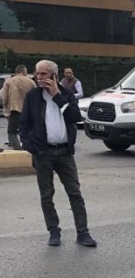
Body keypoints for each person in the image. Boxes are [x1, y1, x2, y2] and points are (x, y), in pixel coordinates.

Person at [19, 60, 97, 247]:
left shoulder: (67, 95)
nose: (39, 78)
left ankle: (83, 232)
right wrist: (31, 146)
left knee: (75, 193)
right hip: (43, 153)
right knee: (47, 195)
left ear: (54, 76)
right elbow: (24, 124)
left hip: (64, 153)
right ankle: (54, 231)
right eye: (37, 74)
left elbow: (74, 117)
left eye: (43, 74)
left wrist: (56, 96)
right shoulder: (32, 96)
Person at [2, 65, 36, 150]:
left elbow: (4, 97)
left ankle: (17, 148)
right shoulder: (31, 82)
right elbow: (36, 96)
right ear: (24, 71)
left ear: (16, 71)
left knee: (12, 131)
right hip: (29, 110)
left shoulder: (9, 81)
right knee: (27, 130)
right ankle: (28, 147)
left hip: (15, 109)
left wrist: (6, 108)